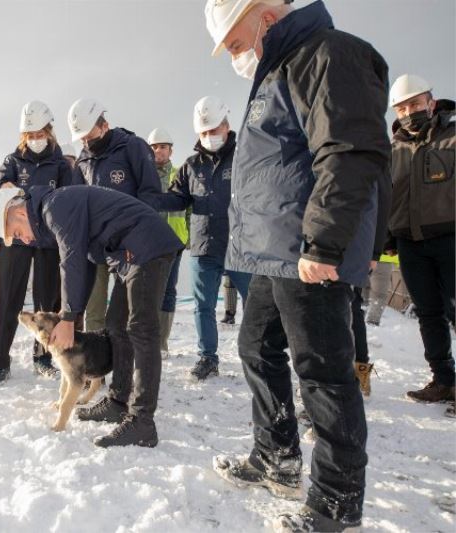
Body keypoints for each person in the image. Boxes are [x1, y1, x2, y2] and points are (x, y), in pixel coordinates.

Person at [203, 1, 391, 531]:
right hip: (276, 251)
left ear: (264, 15)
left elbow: (350, 152)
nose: (234, 56)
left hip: (309, 252)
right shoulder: (279, 68)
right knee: (256, 345)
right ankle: (277, 457)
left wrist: (324, 245)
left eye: (236, 43)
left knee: (324, 374)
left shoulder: (327, 54)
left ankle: (335, 502)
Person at [0, 184, 183, 447]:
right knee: (115, 325)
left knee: (141, 330)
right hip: (129, 254)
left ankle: (142, 422)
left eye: (17, 233)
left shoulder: (55, 208)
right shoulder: (53, 210)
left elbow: (72, 260)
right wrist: (72, 314)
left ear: (18, 213)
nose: (25, 240)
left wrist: (67, 317)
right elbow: (87, 263)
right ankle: (117, 402)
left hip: (146, 246)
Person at [149, 96, 251, 380]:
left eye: (214, 130)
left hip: (241, 246)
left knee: (255, 304)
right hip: (204, 246)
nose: (209, 136)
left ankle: (259, 356)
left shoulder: (244, 156)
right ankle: (208, 357)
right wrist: (150, 200)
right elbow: (178, 199)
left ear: (227, 126)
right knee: (203, 305)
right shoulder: (192, 165)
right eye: (204, 132)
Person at [0, 101, 74, 384]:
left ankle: (42, 357)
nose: (36, 140)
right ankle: (1, 360)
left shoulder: (61, 164)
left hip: (49, 242)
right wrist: (3, 187)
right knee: (9, 300)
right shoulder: (12, 162)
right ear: (24, 136)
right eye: (31, 135)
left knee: (47, 302)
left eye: (40, 133)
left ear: (49, 132)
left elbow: (69, 198)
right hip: (18, 241)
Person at [385, 73, 455, 410]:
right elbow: (385, 198)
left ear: (431, 101)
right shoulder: (393, 149)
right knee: (430, 314)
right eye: (401, 107)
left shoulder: (452, 136)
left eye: (414, 103)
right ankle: (443, 380)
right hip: (410, 244)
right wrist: (386, 239)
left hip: (451, 239)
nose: (408, 111)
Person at [68, 98, 163, 334]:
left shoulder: (133, 147)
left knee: (127, 312)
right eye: (81, 137)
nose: (86, 141)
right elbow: (77, 203)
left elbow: (149, 194)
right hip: (97, 247)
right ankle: (95, 366)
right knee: (95, 310)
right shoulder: (83, 160)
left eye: (89, 135)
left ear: (104, 125)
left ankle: (125, 361)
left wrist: (138, 240)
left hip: (128, 248)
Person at [146, 127, 190, 358]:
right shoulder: (145, 177)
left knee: (168, 291)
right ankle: (148, 339)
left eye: (162, 146)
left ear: (171, 150)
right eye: (154, 147)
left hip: (174, 241)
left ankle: (162, 341)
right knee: (150, 290)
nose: (158, 151)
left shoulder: (179, 174)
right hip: (150, 242)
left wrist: (189, 235)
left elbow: (189, 206)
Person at [363, 255, 396, 326]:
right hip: (383, 259)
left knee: (364, 289)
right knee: (379, 294)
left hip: (365, 257)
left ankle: (359, 318)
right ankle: (372, 322)